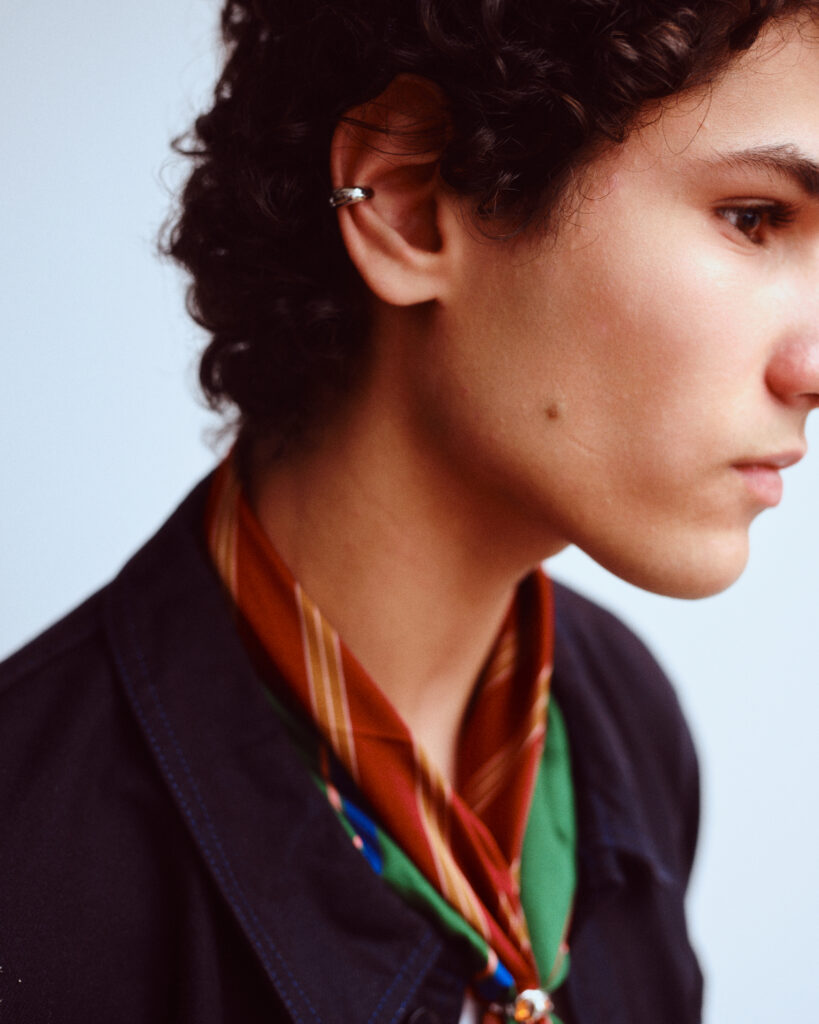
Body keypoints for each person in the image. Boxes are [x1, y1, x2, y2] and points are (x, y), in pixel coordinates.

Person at [2, 1, 818, 1022]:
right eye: (753, 218)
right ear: (407, 201)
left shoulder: (626, 726)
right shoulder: (29, 863)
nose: (811, 367)